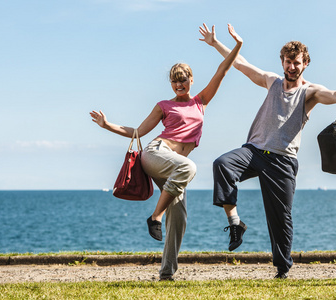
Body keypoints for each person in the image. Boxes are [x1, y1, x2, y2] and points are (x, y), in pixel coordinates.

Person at [199, 23, 336, 279]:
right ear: (282, 62)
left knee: (281, 219)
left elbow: (333, 95)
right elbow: (241, 64)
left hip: (283, 162)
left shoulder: (309, 92)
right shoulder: (272, 82)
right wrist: (215, 43)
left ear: (305, 64)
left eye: (297, 62)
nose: (292, 67)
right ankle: (236, 224)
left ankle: (282, 268)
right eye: (288, 61)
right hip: (254, 152)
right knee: (222, 164)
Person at [90, 24, 243, 281]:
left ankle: (166, 273)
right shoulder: (164, 105)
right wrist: (108, 125)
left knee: (180, 217)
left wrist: (237, 45)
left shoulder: (201, 102)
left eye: (183, 78)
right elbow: (138, 132)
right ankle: (155, 217)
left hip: (174, 169)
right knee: (189, 167)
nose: (178, 83)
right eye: (174, 79)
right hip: (155, 155)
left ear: (191, 80)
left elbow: (222, 71)